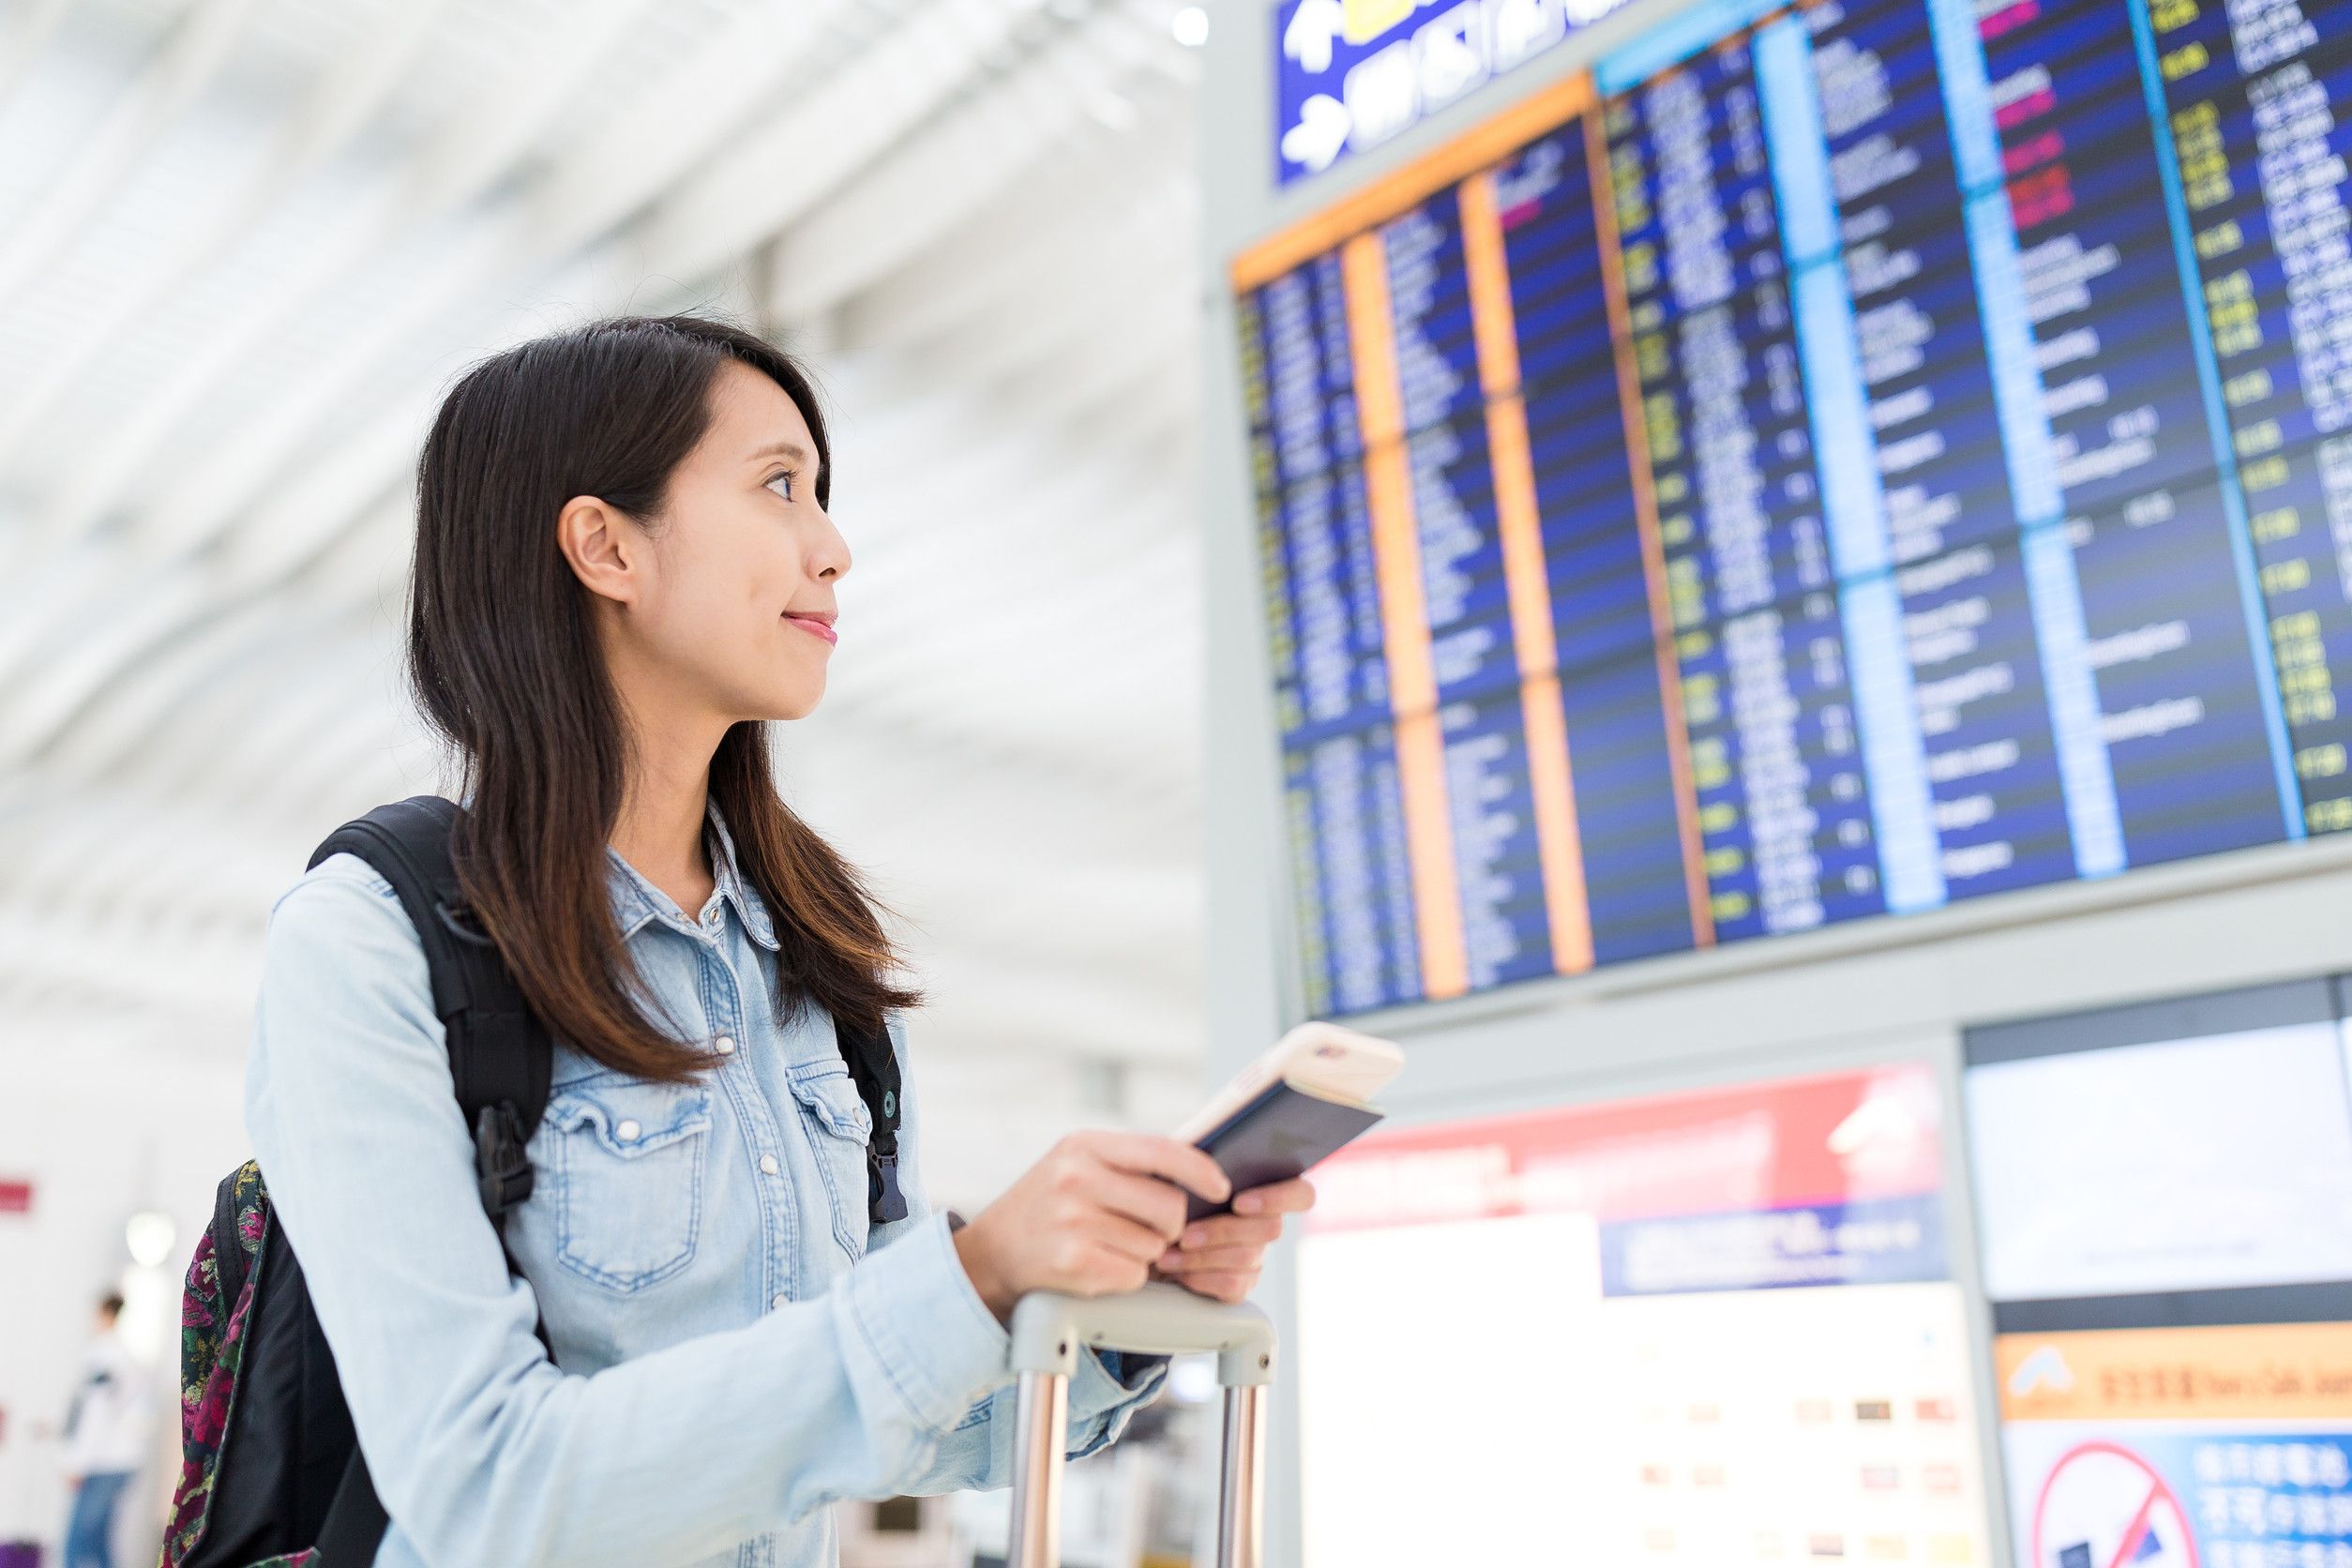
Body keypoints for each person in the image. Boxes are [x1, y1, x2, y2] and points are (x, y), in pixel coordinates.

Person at [246, 314, 1314, 1567]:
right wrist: (965, 1281)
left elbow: (910, 1419)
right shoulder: (374, 946)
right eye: (779, 486)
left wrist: (1122, 1312)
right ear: (605, 545)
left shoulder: (817, 968)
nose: (834, 546)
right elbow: (483, 1487)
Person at [60, 1292, 149, 1568]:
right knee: (99, 1543)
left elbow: (95, 1415)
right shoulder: (122, 1355)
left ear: (104, 1314)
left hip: (105, 1462)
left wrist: (75, 1461)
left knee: (75, 1544)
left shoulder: (104, 1356)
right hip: (121, 1460)